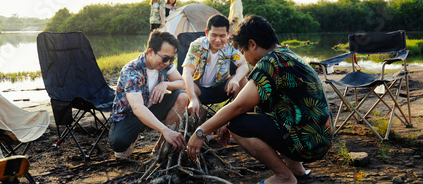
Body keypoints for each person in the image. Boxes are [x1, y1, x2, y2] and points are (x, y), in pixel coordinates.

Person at [187, 15, 333, 184]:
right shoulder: (286, 54)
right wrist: (224, 123)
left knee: (238, 125)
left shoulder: (269, 62)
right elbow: (251, 102)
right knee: (269, 107)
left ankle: (284, 177)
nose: (245, 59)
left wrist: (201, 132)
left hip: (307, 144)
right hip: (320, 139)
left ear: (252, 44)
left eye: (243, 52)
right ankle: (296, 169)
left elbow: (238, 106)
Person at [109, 30, 191, 159]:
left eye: (172, 58)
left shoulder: (166, 64)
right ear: (150, 52)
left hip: (152, 107)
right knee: (119, 147)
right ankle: (135, 135)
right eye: (165, 58)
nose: (168, 62)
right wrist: (164, 129)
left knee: (182, 96)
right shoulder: (132, 71)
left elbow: (182, 83)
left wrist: (165, 84)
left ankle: (162, 145)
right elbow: (137, 107)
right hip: (130, 115)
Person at [182, 14, 249, 118]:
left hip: (222, 89)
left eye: (222, 36)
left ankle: (235, 117)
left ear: (228, 34)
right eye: (214, 35)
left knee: (242, 79)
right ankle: (198, 116)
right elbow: (186, 72)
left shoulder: (231, 45)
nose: (218, 40)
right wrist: (192, 98)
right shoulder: (197, 45)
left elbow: (244, 65)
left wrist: (236, 79)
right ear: (206, 33)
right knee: (184, 83)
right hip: (199, 90)